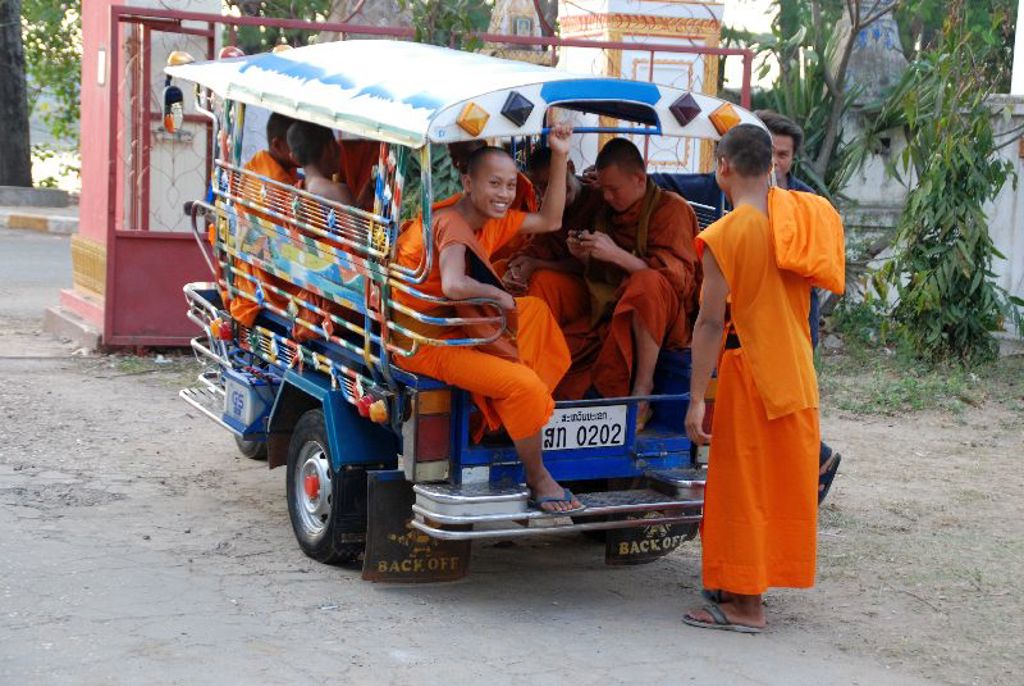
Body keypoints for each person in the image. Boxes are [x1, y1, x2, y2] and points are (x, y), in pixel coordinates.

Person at [683, 124, 845, 632]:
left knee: (742, 488)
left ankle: (745, 606)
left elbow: (710, 322)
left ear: (723, 168)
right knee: (772, 487)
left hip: (751, 370)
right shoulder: (800, 218)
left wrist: (693, 401)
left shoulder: (725, 234)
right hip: (796, 370)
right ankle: (741, 588)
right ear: (774, 166)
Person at [393, 126, 581, 513]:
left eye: (510, 185)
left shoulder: (488, 218)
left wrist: (560, 155)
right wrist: (497, 295)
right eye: (494, 183)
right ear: (467, 182)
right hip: (427, 342)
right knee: (524, 384)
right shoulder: (452, 222)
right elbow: (454, 284)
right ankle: (538, 475)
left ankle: (515, 415)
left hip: (461, 323)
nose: (504, 194)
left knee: (536, 313)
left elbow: (550, 220)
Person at [528, 138, 701, 427]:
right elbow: (603, 279)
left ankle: (641, 393)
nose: (606, 197)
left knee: (646, 283)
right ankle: (533, 403)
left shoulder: (672, 210)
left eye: (613, 190)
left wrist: (616, 254)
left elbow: (676, 280)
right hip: (610, 309)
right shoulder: (608, 212)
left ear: (639, 179)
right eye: (604, 189)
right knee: (561, 355)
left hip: (662, 315)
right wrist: (586, 256)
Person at [756, 109, 842, 504]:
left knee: (790, 397)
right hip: (753, 314)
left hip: (794, 314)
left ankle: (816, 461)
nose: (775, 161)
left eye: (784, 154)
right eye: (769, 151)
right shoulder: (733, 191)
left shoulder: (808, 201)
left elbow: (822, 263)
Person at [501, 146, 605, 326]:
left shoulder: (599, 201)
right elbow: (537, 246)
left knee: (542, 281)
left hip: (590, 288)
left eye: (554, 182)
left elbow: (598, 266)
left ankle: (532, 344)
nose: (549, 193)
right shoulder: (547, 211)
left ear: (570, 168)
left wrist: (537, 264)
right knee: (500, 269)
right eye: (540, 187)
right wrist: (519, 265)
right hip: (558, 277)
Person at [228, 112, 301, 328]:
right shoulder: (278, 184)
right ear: (277, 144)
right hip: (268, 277)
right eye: (296, 142)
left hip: (248, 267)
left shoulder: (257, 164)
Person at [286, 122, 355, 206]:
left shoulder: (294, 195)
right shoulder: (339, 193)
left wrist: (364, 197)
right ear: (331, 147)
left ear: (294, 158)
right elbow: (356, 218)